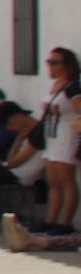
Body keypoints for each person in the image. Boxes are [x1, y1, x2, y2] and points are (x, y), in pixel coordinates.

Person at [36, 47, 79, 235]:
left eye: (55, 62)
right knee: (53, 181)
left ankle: (65, 222)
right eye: (49, 62)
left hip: (66, 136)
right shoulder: (55, 85)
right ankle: (50, 219)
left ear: (67, 65)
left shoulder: (72, 87)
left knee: (66, 180)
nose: (50, 66)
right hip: (51, 136)